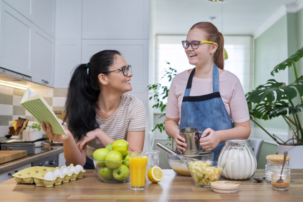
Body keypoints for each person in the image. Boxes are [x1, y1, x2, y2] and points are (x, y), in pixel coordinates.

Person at [42, 50, 146, 169]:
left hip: (118, 166)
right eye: (123, 70)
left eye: (128, 68)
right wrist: (67, 138)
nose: (130, 74)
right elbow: (77, 163)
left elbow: (134, 157)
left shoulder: (134, 106)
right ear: (103, 78)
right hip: (86, 167)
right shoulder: (81, 106)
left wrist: (99, 134)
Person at [164, 22, 250, 160]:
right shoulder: (178, 81)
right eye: (187, 44)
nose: (189, 48)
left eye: (195, 43)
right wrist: (175, 133)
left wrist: (219, 136)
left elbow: (245, 129)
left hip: (222, 166)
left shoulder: (231, 81)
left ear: (213, 47)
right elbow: (169, 122)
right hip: (185, 166)